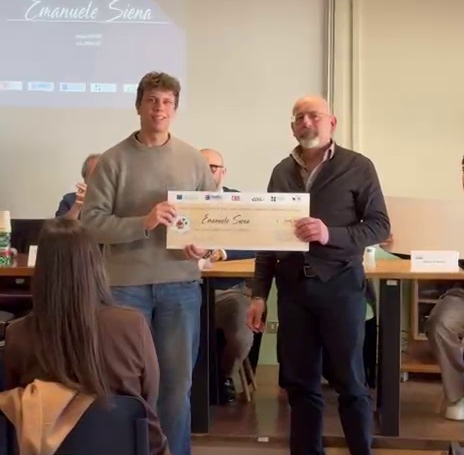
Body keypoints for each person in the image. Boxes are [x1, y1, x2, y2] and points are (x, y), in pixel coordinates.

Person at [81, 72, 215, 455]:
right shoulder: (113, 160)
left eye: (167, 101)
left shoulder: (193, 160)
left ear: (175, 108)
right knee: (123, 383)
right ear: (138, 105)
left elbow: (211, 220)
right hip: (125, 288)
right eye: (152, 100)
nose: (159, 108)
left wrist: (203, 247)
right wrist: (145, 221)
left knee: (176, 386)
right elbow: (91, 223)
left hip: (180, 286)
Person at [247, 96, 390, 455]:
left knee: (351, 382)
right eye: (299, 117)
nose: (306, 122)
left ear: (332, 123)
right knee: (300, 386)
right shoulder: (281, 172)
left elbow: (379, 226)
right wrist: (259, 294)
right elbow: (268, 238)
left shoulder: (358, 166)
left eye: (314, 116)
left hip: (341, 286)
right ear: (292, 126)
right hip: (293, 291)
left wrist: (331, 234)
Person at [2, 218, 170, 455]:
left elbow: (13, 412)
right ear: (95, 264)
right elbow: (149, 399)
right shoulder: (132, 325)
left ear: (41, 271)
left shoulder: (18, 334)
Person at [200, 148, 255, 404]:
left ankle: (223, 376)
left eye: (212, 167)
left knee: (243, 334)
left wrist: (224, 253)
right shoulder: (177, 201)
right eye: (200, 166)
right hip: (186, 289)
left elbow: (258, 244)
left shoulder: (239, 202)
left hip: (228, 291)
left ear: (223, 172)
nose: (206, 172)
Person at [426, 154, 464, 421]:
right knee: (439, 323)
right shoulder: (452, 214)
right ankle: (458, 394)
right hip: (461, 291)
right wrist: (395, 242)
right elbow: (427, 248)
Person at [55, 153, 100, 219]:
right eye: (94, 176)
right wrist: (77, 206)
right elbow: (60, 225)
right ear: (85, 179)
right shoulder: (69, 200)